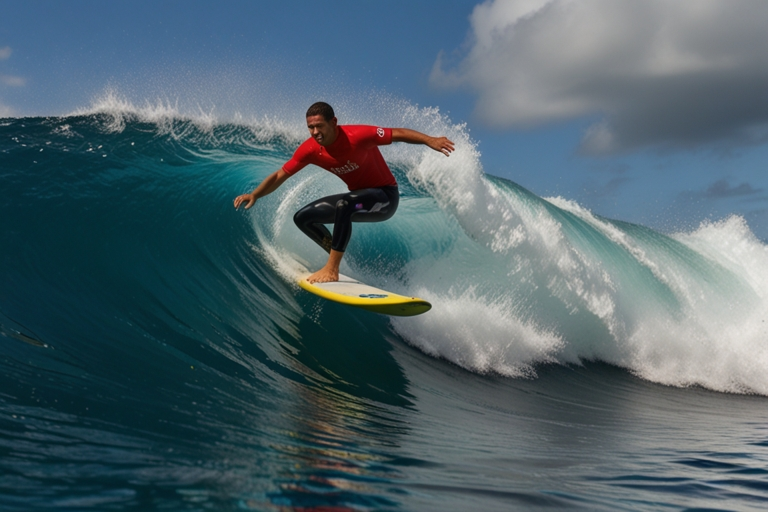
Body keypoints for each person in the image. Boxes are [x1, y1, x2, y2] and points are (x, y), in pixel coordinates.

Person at [234, 102, 454, 283]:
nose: (315, 132)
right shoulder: (310, 149)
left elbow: (398, 133)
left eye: (319, 126)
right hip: (359, 198)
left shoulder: (357, 136)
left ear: (334, 122)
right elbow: (280, 175)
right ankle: (335, 256)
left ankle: (332, 269)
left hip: (384, 198)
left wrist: (430, 140)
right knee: (303, 218)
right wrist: (255, 194)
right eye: (310, 127)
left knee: (344, 205)